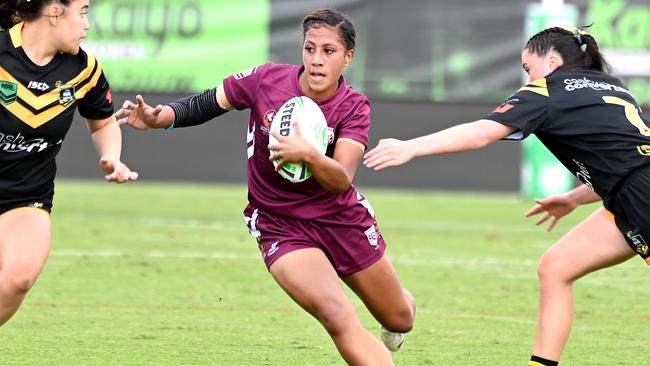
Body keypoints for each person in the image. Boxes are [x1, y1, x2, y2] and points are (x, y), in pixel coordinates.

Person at [116, 8, 415, 366]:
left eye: (329, 51)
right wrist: (159, 118)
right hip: (280, 225)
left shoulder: (353, 107)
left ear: (348, 57)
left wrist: (309, 154)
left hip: (340, 218)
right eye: (310, 49)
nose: (316, 60)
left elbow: (341, 178)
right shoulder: (266, 80)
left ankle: (397, 311)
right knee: (337, 316)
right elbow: (207, 102)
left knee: (400, 317)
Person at [364, 26, 650, 366]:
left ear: (553, 61)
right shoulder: (611, 86)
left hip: (639, 198)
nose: (526, 77)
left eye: (528, 68)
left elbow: (482, 132)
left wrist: (411, 146)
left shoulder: (546, 91)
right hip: (628, 195)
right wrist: (574, 198)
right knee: (557, 267)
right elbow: (627, 159)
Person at [0, 0, 138, 328]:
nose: (87, 25)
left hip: (24, 197)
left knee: (19, 278)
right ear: (55, 12)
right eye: (83, 12)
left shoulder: (84, 70)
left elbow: (103, 123)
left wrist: (113, 158)